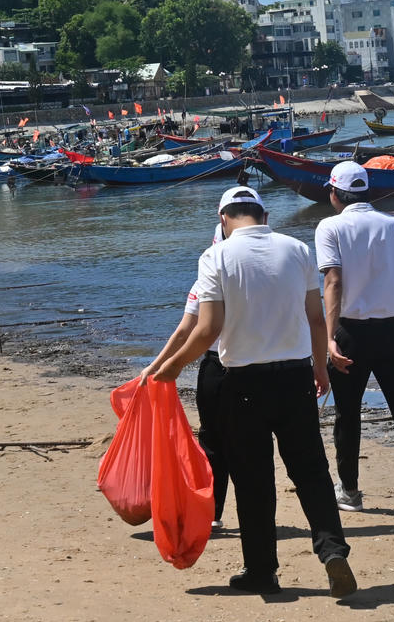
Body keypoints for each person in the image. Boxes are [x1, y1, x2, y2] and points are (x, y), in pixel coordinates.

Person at [150, 186, 356, 597]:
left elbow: (207, 328)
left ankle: (262, 571)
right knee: (311, 470)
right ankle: (333, 551)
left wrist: (170, 368)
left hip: (242, 382)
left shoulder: (216, 256)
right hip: (296, 376)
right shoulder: (296, 249)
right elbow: (316, 319)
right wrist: (321, 369)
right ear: (263, 216)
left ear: (223, 219)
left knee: (253, 478)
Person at [315, 161, 394, 528]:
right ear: (367, 191)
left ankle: (350, 491)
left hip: (351, 331)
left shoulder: (329, 227)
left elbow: (333, 282)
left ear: (335, 194)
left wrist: (330, 337)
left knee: (347, 414)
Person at [140, 222, 235, 531]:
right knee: (251, 442)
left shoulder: (205, 281)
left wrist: (157, 366)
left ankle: (214, 512)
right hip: (260, 367)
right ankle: (256, 516)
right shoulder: (264, 276)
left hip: (217, 368)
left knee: (213, 441)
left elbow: (186, 330)